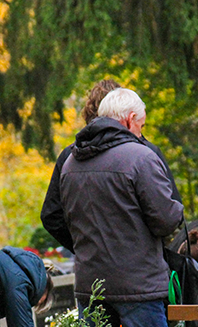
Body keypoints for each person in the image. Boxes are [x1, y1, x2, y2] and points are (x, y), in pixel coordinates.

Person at [59, 87, 184, 327]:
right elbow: (164, 219)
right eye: (141, 125)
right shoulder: (139, 158)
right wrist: (176, 212)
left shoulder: (70, 161)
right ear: (130, 120)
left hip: (90, 285)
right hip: (138, 284)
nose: (142, 132)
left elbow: (64, 219)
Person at [41, 79, 181, 252]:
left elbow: (52, 215)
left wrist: (85, 248)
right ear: (129, 117)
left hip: (91, 267)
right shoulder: (145, 153)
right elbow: (170, 215)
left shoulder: (70, 158)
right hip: (140, 265)